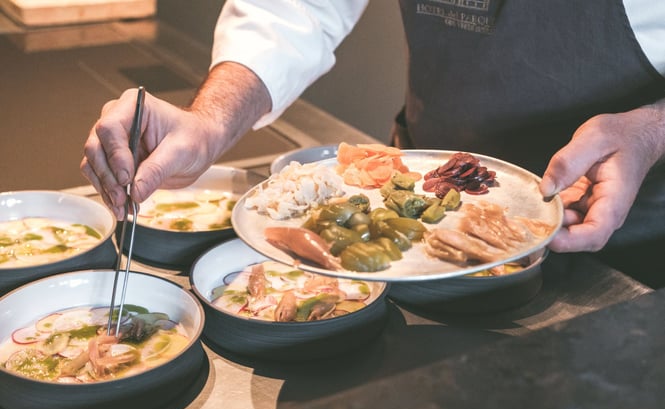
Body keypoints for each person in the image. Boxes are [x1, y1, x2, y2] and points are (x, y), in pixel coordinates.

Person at [81, 0, 665, 286]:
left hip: (633, 246)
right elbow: (297, 6)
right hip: (426, 238)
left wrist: (649, 130)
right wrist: (210, 120)